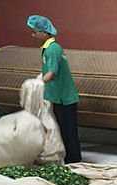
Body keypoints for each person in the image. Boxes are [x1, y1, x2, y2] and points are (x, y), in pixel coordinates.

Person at [26, 15, 81, 163]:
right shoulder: (48, 48)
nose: (33, 35)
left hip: (65, 98)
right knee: (63, 130)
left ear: (44, 32)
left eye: (35, 32)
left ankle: (74, 161)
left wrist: (36, 83)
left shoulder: (52, 49)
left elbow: (52, 72)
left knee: (68, 131)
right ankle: (68, 158)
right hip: (57, 96)